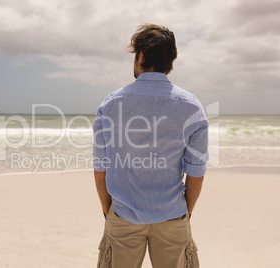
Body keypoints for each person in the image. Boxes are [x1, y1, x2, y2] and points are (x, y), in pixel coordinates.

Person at [93, 23, 208, 268]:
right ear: (170, 61)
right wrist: (184, 214)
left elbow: (100, 166)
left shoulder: (111, 104)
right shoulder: (192, 106)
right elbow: (196, 171)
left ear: (141, 56)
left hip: (123, 215)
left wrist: (107, 210)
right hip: (172, 215)